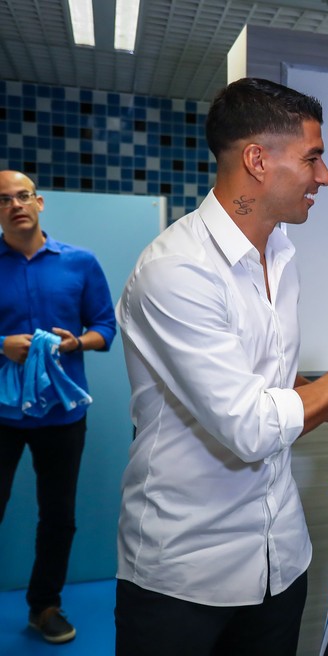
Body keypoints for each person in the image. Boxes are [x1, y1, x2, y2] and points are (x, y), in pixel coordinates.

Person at [113, 77, 328, 656]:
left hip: (279, 560)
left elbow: (271, 385)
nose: (324, 177)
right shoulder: (176, 272)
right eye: (313, 158)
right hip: (185, 574)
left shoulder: (279, 254)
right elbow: (250, 426)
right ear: (256, 159)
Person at [0, 170, 117, 644]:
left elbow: (105, 328)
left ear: (40, 202)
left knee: (59, 515)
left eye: (22, 196)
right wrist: (1, 344)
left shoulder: (80, 263)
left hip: (62, 414)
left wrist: (76, 343)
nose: (15, 205)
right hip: (1, 414)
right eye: (3, 199)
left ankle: (44, 605)